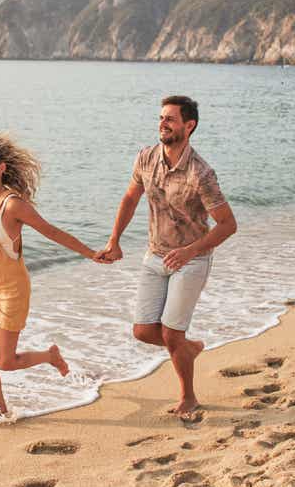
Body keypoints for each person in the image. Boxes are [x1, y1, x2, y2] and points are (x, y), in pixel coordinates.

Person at [0, 132, 107, 422]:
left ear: (1, 168)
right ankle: (1, 410)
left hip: (11, 289)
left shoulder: (13, 205)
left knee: (5, 361)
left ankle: (50, 356)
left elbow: (52, 232)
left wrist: (90, 253)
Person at [96, 96, 237, 420]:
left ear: (189, 126)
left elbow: (228, 224)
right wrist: (114, 240)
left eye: (170, 119)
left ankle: (188, 397)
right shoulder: (146, 158)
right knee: (143, 331)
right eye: (161, 118)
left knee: (172, 334)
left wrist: (190, 250)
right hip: (155, 255)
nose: (163, 123)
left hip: (192, 258)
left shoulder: (201, 173)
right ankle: (189, 349)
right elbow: (130, 199)